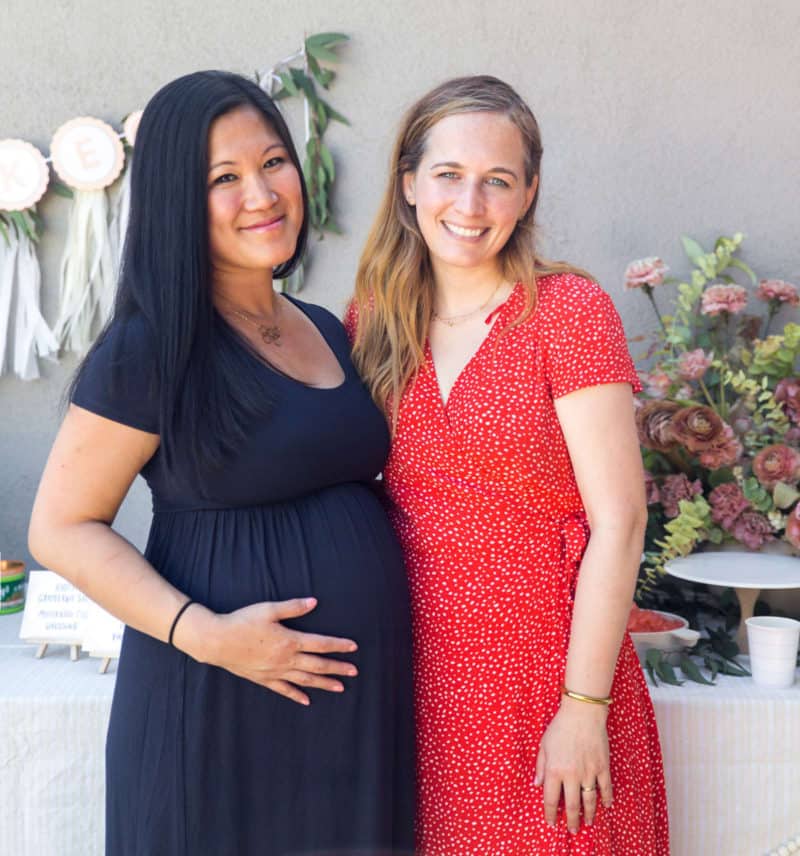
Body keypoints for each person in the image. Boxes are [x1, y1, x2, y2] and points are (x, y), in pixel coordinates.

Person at [29, 70, 414, 856]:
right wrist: (205, 635)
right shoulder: (149, 349)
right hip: (221, 705)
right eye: (224, 179)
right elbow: (61, 527)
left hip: (350, 718)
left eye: (273, 162)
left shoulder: (326, 328)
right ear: (177, 201)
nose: (262, 194)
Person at [346, 75, 669, 854]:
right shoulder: (372, 323)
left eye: (498, 181)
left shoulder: (566, 312)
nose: (471, 204)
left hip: (551, 671)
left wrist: (584, 707)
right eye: (449, 175)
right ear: (409, 185)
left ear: (527, 195)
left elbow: (620, 522)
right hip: (420, 678)